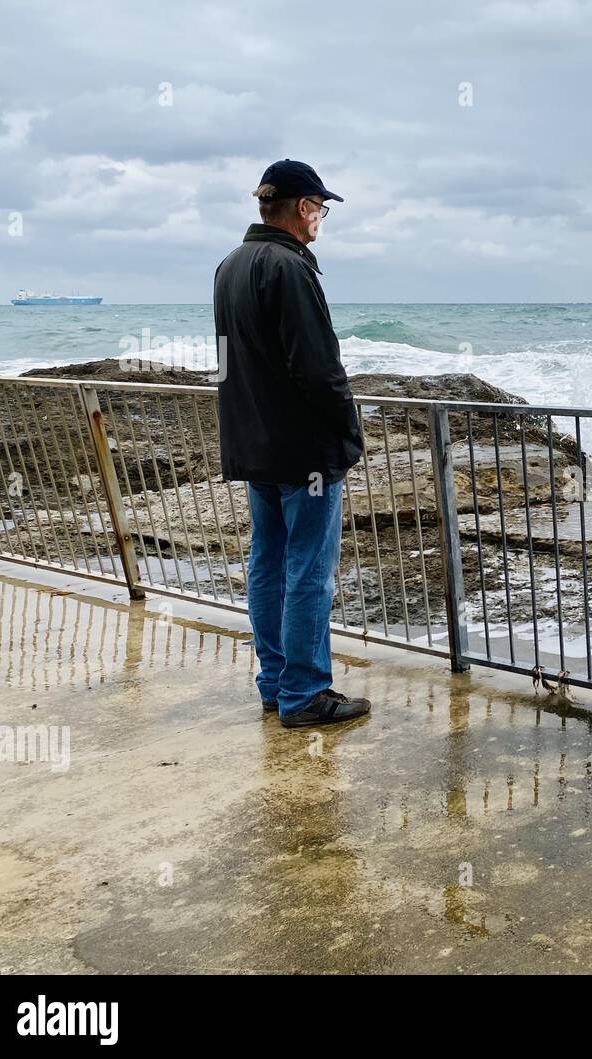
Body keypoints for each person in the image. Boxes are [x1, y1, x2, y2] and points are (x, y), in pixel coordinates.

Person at [213, 159, 370, 728]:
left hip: (257, 445)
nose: (321, 219)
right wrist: (348, 433)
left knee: (269, 562)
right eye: (321, 209)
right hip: (303, 451)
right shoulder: (288, 267)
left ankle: (276, 684)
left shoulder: (229, 265)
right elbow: (318, 369)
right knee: (308, 570)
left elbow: (232, 363)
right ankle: (305, 694)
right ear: (304, 208)